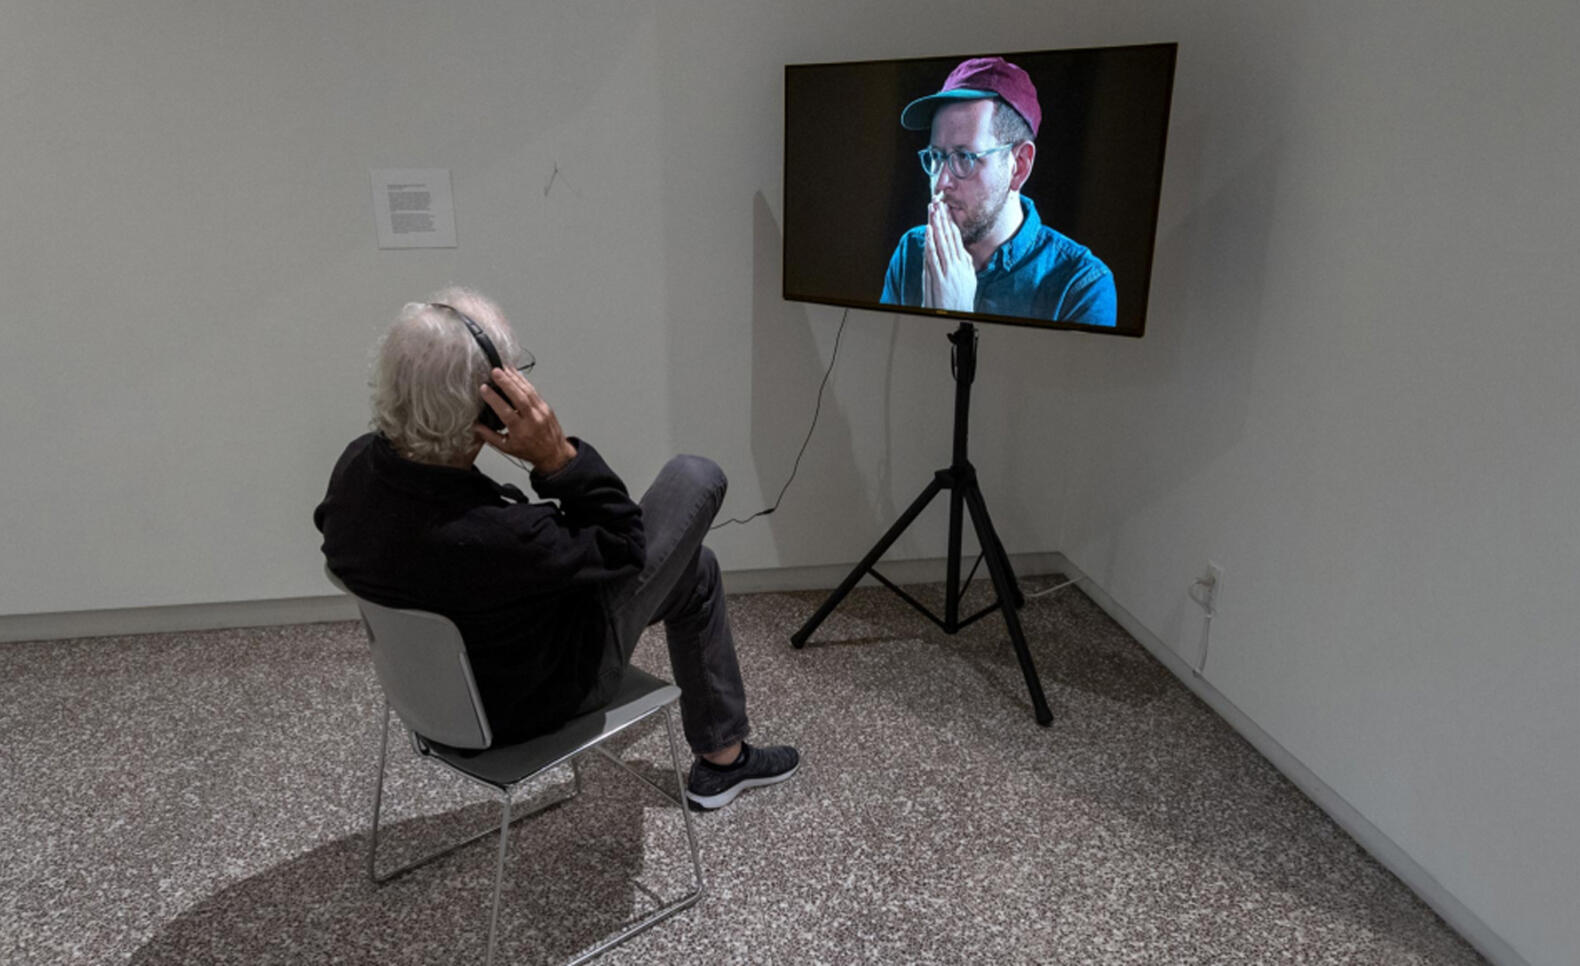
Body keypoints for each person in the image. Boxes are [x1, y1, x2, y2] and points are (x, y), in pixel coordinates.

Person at [315, 289, 799, 810]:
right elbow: (623, 546)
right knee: (695, 476)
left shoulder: (356, 468)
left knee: (694, 571)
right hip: (530, 703)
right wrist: (556, 457)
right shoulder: (503, 537)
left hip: (427, 697)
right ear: (490, 405)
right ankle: (725, 760)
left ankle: (725, 758)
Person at [879, 57, 1117, 327]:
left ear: (1019, 166)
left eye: (964, 157)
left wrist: (953, 317)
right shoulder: (913, 251)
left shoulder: (1080, 286)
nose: (941, 181)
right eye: (936, 156)